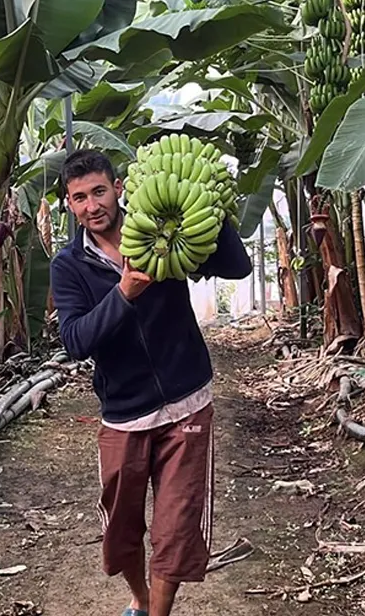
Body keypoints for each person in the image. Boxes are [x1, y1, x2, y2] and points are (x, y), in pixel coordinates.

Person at [49, 148, 253, 616]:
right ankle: (139, 600)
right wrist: (124, 293)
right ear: (69, 203)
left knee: (176, 524)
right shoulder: (69, 266)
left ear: (118, 189)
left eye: (99, 192)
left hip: (187, 400)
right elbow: (76, 340)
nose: (92, 205)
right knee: (120, 528)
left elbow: (236, 268)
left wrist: (210, 207)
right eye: (79, 198)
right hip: (124, 412)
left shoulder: (161, 230)